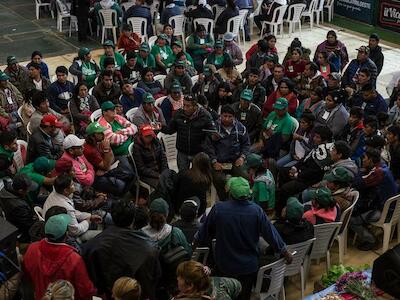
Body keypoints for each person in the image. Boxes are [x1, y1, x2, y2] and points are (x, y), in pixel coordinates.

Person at [195, 176, 291, 300]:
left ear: (230, 193)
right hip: (248, 268)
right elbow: (271, 234)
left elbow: (202, 235)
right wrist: (285, 251)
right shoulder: (257, 211)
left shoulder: (219, 209)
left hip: (225, 266)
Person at [82, 199, 161, 299]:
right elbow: (154, 277)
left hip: (110, 294)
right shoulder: (150, 247)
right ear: (133, 219)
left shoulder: (93, 245)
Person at [23, 213, 97, 299]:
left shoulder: (32, 248)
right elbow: (85, 290)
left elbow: (27, 276)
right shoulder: (74, 259)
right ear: (66, 235)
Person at [276, 125, 333, 216]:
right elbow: (305, 159)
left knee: (285, 189)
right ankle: (285, 200)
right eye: (314, 136)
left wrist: (297, 175)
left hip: (308, 179)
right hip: (302, 171)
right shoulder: (317, 147)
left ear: (325, 139)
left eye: (317, 137)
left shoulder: (324, 154)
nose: (314, 138)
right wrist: (295, 168)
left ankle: (280, 214)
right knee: (283, 170)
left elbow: (313, 172)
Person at [350, 148, 397, 250]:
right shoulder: (384, 167)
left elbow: (358, 183)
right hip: (392, 209)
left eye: (365, 158)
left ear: (371, 160)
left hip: (384, 212)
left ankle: (371, 240)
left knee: (351, 220)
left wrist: (360, 171)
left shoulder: (378, 172)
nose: (363, 160)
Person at [142, 198, 191, 293]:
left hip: (149, 285)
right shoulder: (176, 233)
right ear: (167, 214)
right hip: (172, 285)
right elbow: (188, 254)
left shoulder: (140, 235)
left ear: (149, 214)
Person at [207, 105, 250, 199]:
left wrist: (242, 157)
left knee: (245, 177)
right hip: (219, 162)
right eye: (224, 116)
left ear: (234, 117)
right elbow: (209, 147)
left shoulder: (241, 128)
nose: (226, 119)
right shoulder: (213, 128)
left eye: (230, 116)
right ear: (220, 115)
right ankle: (225, 200)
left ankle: (240, 199)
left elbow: (246, 145)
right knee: (220, 179)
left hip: (235, 162)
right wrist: (214, 161)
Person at [162, 95, 215, 171]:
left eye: (188, 106)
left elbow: (212, 132)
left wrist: (213, 137)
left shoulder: (205, 116)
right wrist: (161, 127)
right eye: (184, 105)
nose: (185, 108)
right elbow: (170, 130)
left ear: (195, 106)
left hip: (198, 153)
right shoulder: (178, 114)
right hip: (182, 152)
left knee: (198, 177)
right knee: (183, 176)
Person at [43, 174, 102, 241]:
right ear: (66, 190)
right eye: (72, 185)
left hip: (51, 226)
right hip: (59, 236)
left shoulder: (56, 192)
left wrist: (89, 216)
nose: (74, 186)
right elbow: (75, 231)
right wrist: (87, 221)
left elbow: (73, 211)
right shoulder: (65, 207)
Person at [84, 122, 135, 195]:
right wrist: (106, 149)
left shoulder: (98, 142)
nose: (103, 134)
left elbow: (112, 158)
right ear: (92, 136)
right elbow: (106, 166)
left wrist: (107, 152)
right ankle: (116, 198)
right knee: (120, 185)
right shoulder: (90, 150)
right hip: (95, 176)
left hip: (104, 169)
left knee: (131, 174)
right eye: (99, 133)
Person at [0, 174, 36, 242]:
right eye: (28, 189)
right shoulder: (18, 206)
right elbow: (28, 224)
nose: (29, 191)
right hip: (19, 230)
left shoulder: (6, 188)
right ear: (21, 191)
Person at [174, 152, 212, 216]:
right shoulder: (204, 180)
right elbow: (202, 204)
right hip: (194, 213)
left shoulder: (182, 174)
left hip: (178, 209)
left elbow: (175, 192)